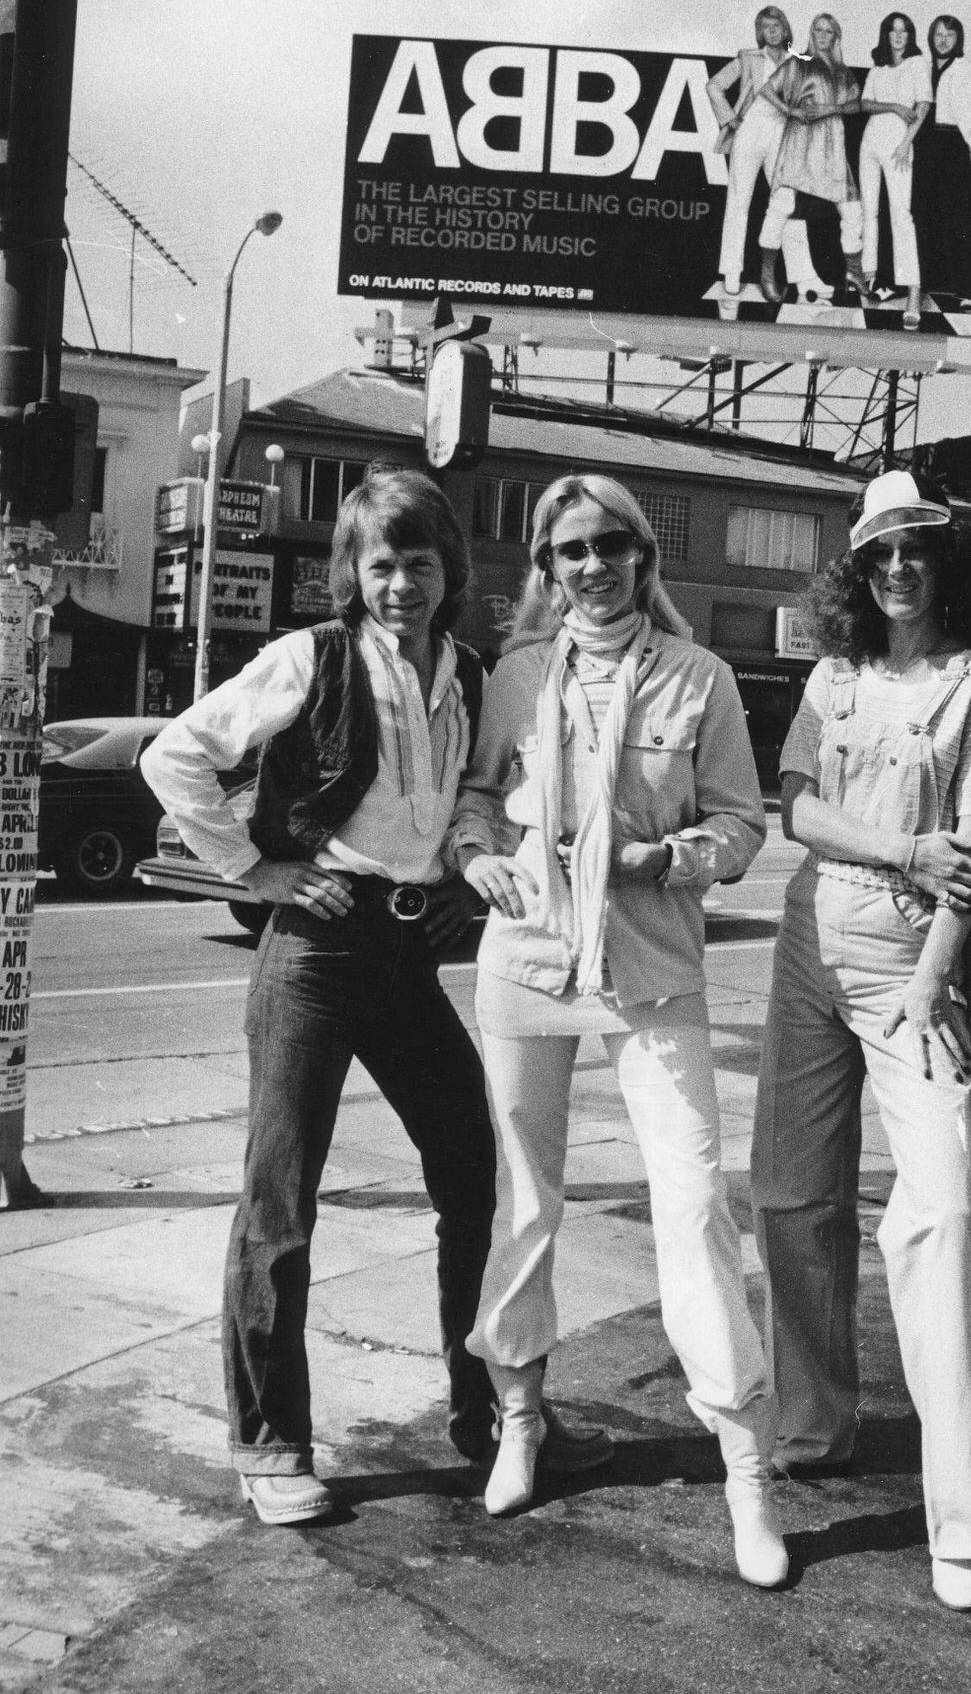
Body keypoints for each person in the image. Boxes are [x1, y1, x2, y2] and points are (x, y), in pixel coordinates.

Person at [142, 465, 604, 1526]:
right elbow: (178, 757)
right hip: (314, 951)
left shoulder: (471, 673)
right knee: (282, 1200)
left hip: (406, 958)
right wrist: (251, 872)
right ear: (352, 571)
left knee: (472, 1175)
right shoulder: (311, 657)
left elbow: (470, 809)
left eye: (419, 564)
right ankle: (271, 1444)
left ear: (450, 571)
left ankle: (485, 1414)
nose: (399, 583)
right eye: (379, 565)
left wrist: (453, 883)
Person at [449, 473, 788, 1588]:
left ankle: (746, 1468)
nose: (590, 567)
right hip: (529, 961)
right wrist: (476, 852)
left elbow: (741, 824)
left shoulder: (703, 679)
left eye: (609, 546)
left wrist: (667, 859)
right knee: (524, 1199)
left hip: (648, 968)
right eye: (567, 552)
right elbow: (478, 797)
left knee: (692, 1205)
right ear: (544, 571)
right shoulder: (515, 677)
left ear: (643, 557)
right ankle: (520, 1422)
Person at [751, 469, 971, 1612]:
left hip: (909, 971)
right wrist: (898, 848)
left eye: (915, 548)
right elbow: (795, 809)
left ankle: (956, 1516)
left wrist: (931, 980)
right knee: (789, 1193)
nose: (898, 569)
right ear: (855, 573)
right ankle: (813, 1427)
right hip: (806, 950)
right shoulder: (834, 674)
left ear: (945, 558)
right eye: (877, 556)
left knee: (936, 1214)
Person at [705, 5, 824, 301]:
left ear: (785, 30)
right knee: (738, 200)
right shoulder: (748, 58)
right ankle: (732, 272)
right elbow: (714, 86)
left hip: (781, 133)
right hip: (749, 131)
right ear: (759, 32)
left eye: (776, 25)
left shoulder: (797, 61)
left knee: (787, 202)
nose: (771, 31)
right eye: (765, 26)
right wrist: (729, 118)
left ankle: (802, 275)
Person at [753, 13, 863, 306]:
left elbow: (855, 105)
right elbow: (765, 90)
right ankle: (766, 275)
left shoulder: (843, 71)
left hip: (831, 142)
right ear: (811, 33)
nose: (822, 35)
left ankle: (853, 272)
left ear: (835, 36)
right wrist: (790, 110)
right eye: (817, 29)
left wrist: (828, 110)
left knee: (852, 208)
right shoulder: (798, 62)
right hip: (800, 139)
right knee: (783, 205)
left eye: (828, 31)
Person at [913, 16, 971, 309]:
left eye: (949, 34)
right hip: (924, 146)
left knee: (958, 219)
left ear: (958, 39)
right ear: (930, 37)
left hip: (955, 145)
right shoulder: (921, 66)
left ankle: (965, 291)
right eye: (938, 34)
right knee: (922, 214)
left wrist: (968, 144)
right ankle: (924, 283)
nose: (943, 39)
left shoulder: (970, 69)